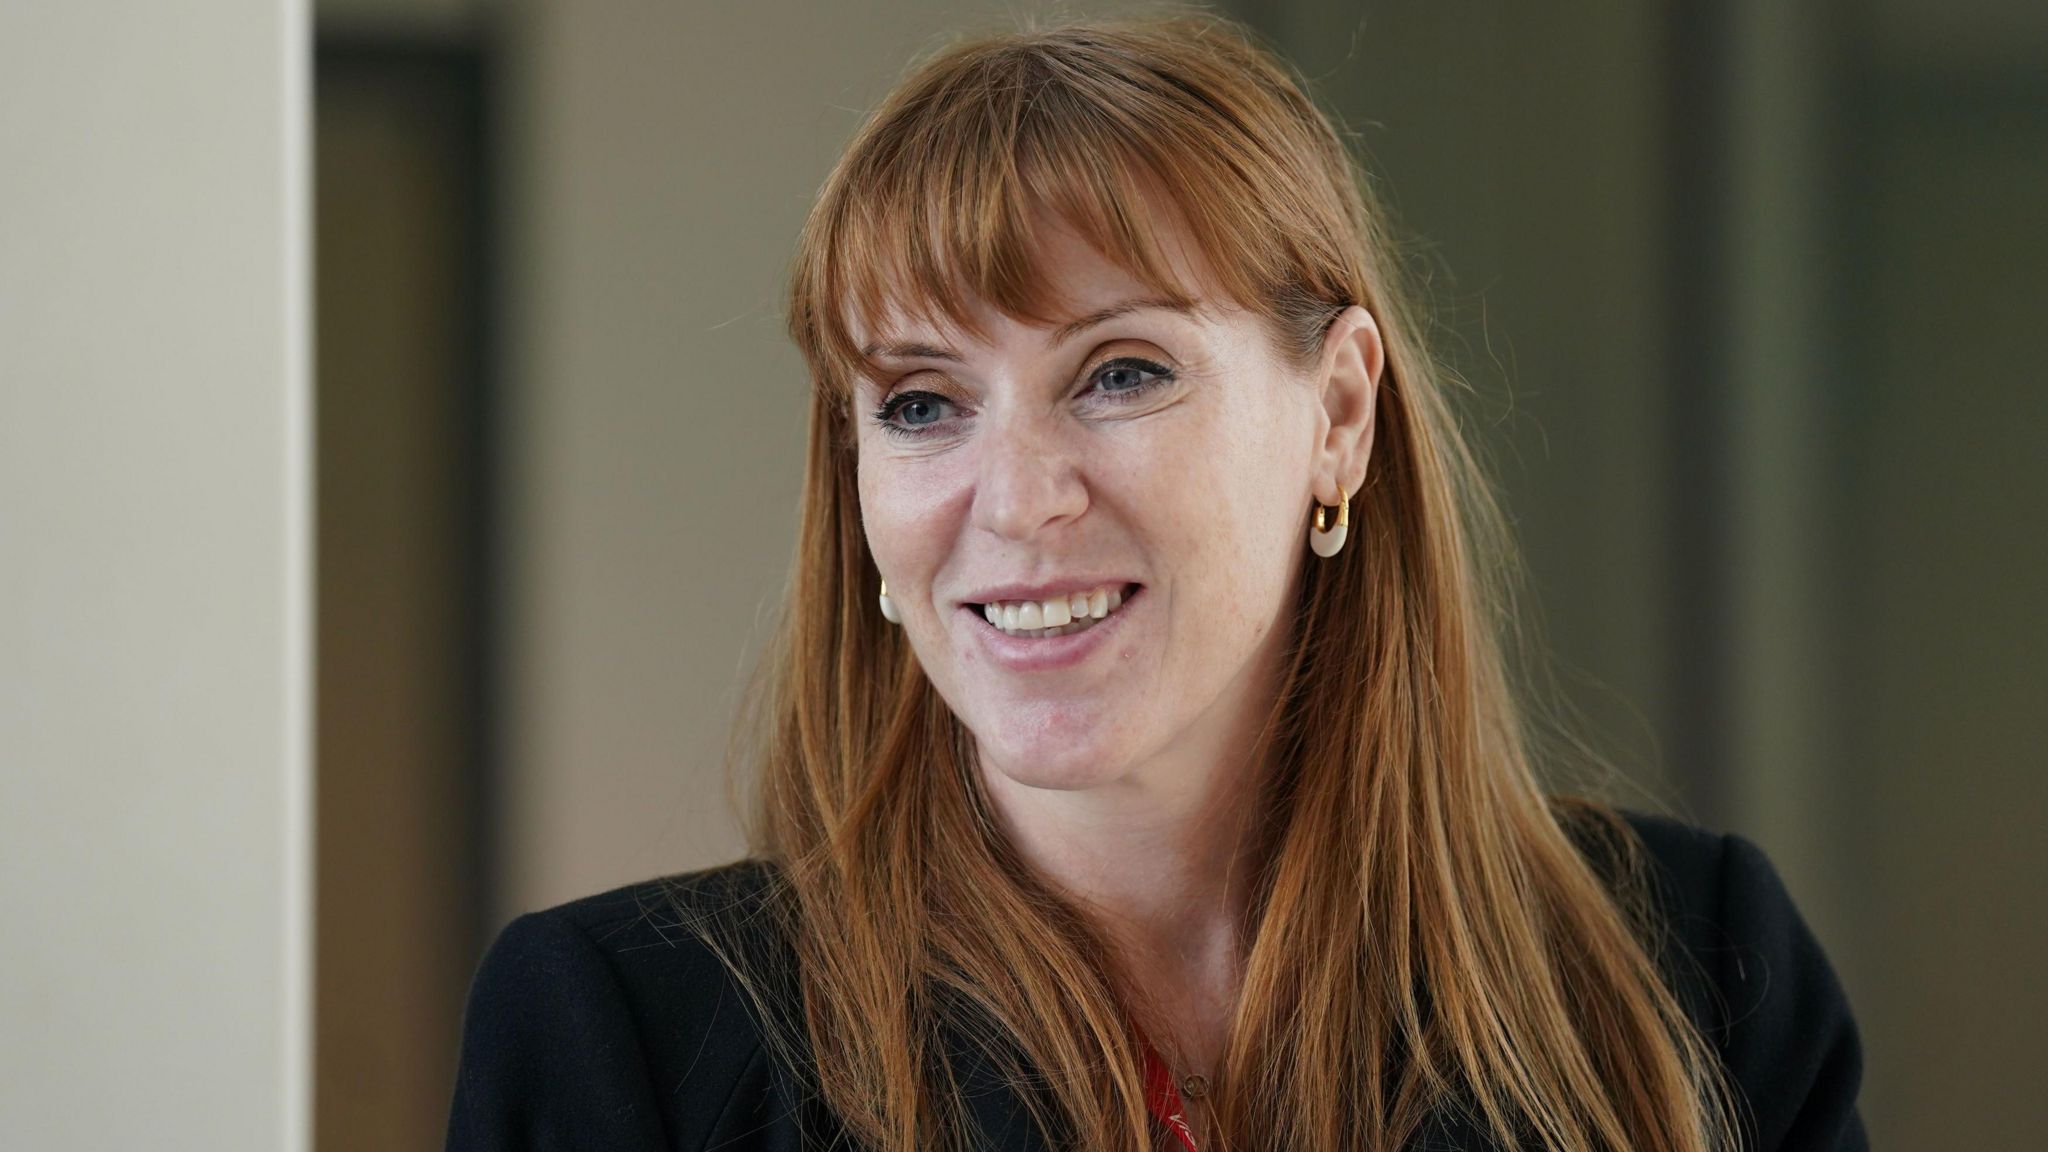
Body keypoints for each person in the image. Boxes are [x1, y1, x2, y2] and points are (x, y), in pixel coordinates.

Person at [445, 13, 1867, 1152]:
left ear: (1340, 416)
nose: (1016, 496)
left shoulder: (1701, 975)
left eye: (1121, 373)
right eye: (924, 405)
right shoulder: (622, 1038)